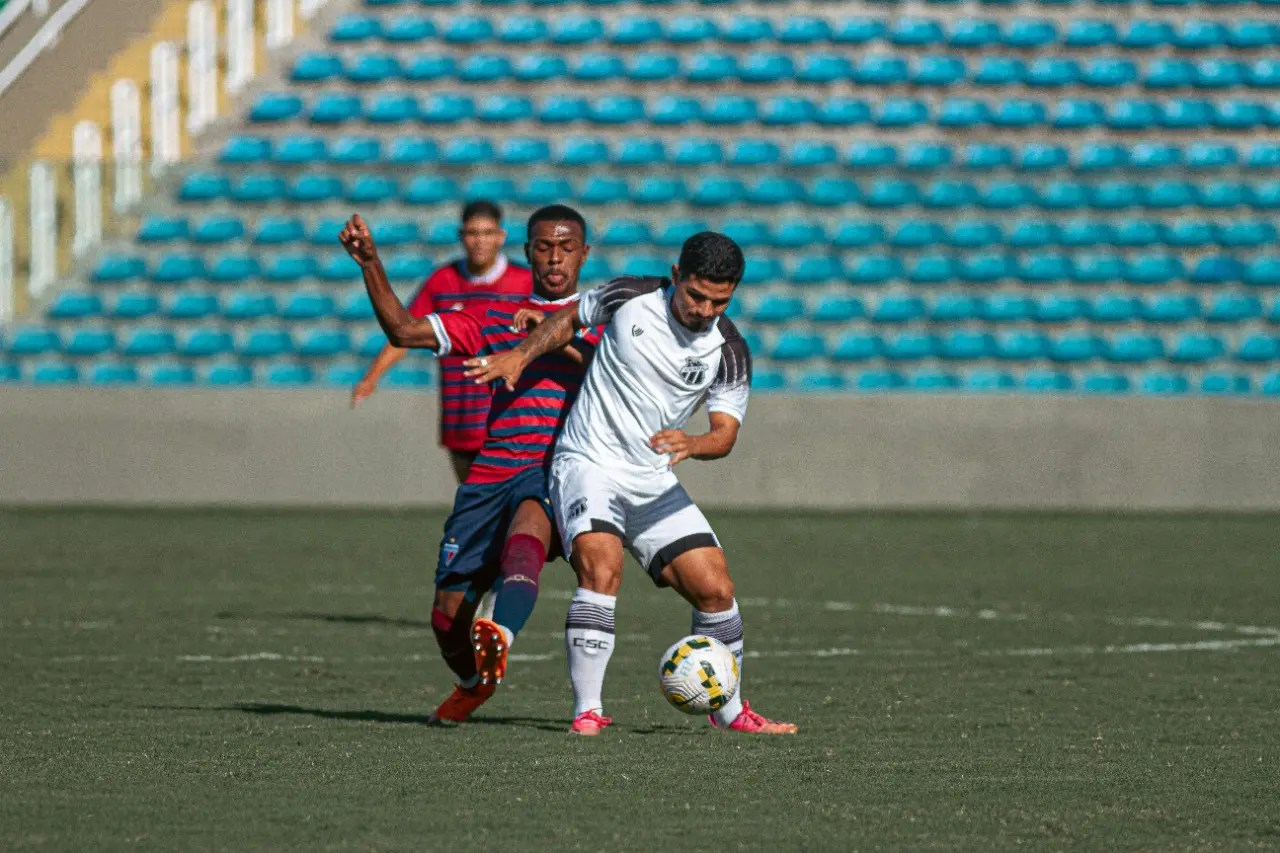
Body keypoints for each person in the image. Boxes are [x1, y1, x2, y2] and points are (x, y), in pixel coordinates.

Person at [464, 232, 798, 736]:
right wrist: (521, 356)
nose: (705, 310)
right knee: (603, 567)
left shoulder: (728, 349)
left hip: (651, 478)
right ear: (676, 275)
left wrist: (693, 443)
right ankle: (587, 710)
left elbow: (725, 435)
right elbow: (571, 318)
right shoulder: (630, 296)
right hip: (588, 463)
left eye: (720, 302)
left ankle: (730, 713)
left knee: (716, 589)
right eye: (696, 296)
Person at [339, 204, 599, 725]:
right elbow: (403, 331)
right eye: (544, 247)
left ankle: (500, 632)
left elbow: (614, 372)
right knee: (446, 617)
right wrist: (370, 263)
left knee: (527, 535)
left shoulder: (605, 318)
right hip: (490, 471)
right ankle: (472, 682)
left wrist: (549, 336)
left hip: (557, 466)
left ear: (584, 254)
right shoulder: (493, 316)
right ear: (527, 254)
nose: (555, 258)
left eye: (566, 248)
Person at [351, 200, 531, 484]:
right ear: (461, 236)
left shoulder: (524, 283)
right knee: (472, 504)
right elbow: (406, 334)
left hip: (509, 423)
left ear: (501, 236)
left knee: (509, 504)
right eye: (472, 233)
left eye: (487, 233)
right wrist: (372, 377)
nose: (480, 241)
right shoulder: (442, 281)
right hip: (460, 420)